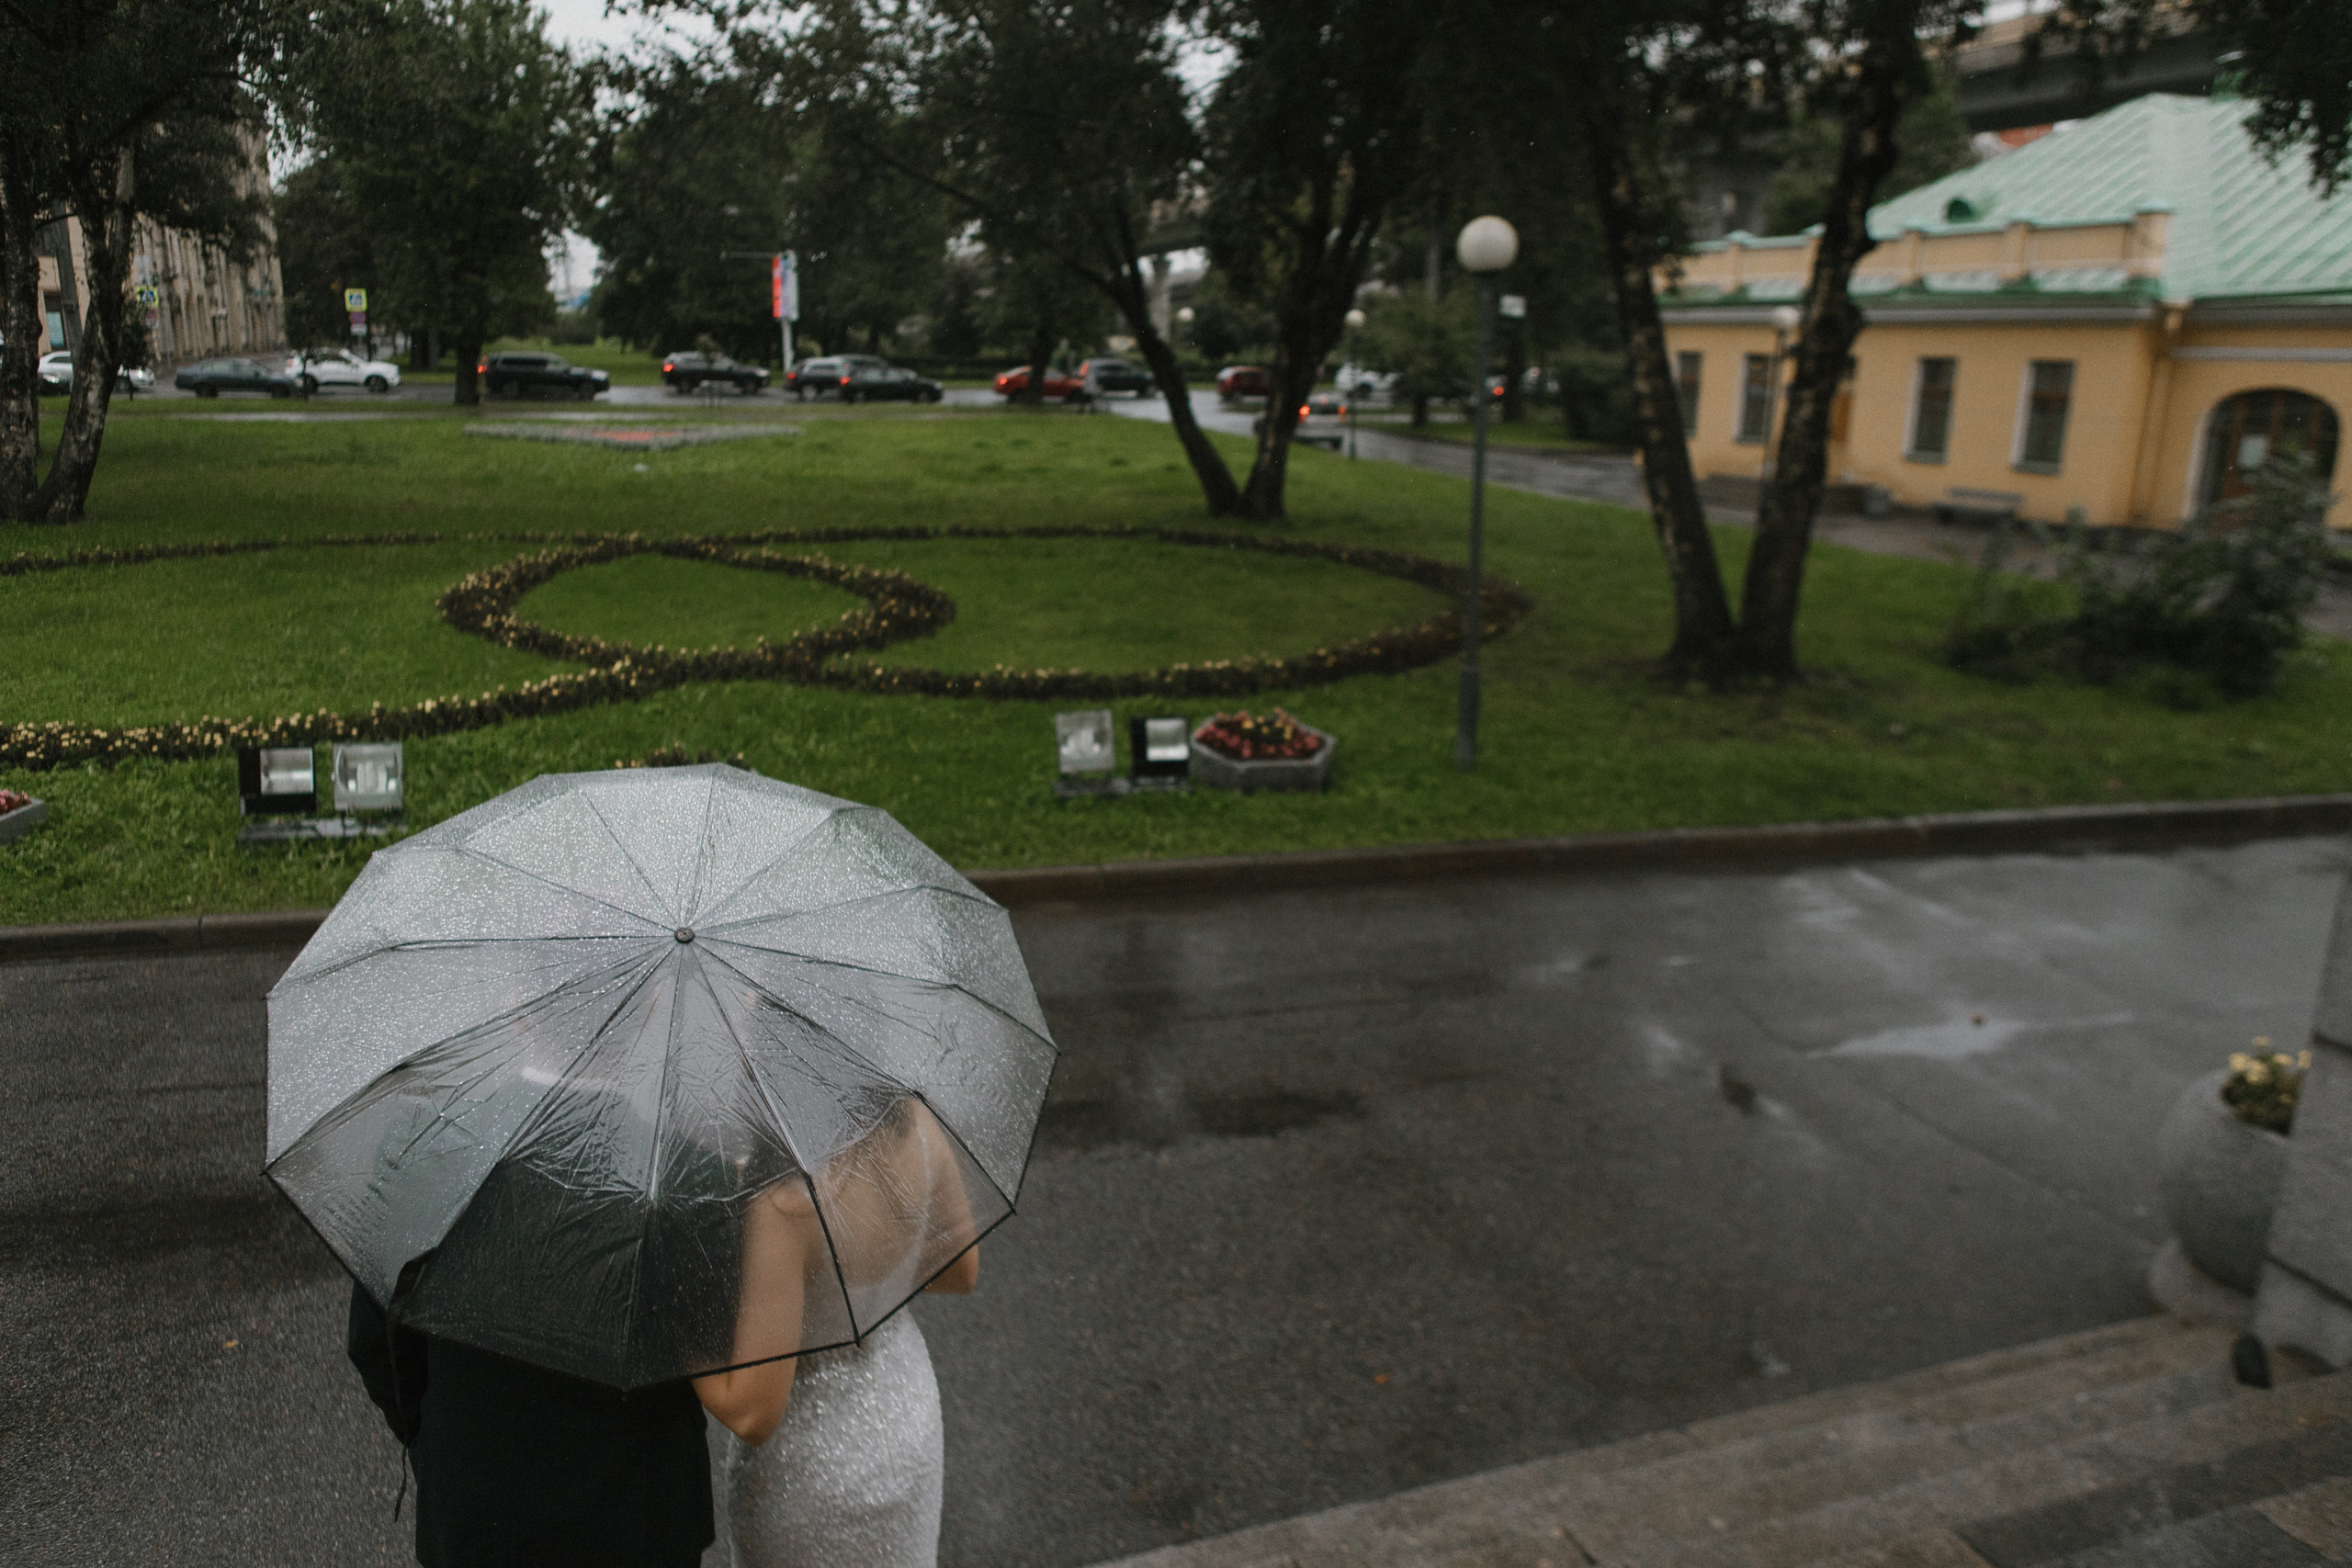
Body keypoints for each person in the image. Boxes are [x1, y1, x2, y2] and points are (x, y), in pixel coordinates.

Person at [695, 1094, 980, 1568]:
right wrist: (867, 1282)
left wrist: (677, 1340)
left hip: (808, 1467)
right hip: (907, 1418)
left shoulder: (787, 1201)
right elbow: (961, 1269)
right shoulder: (915, 1124)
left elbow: (753, 1413)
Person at [347, 1269, 714, 1568]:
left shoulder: (428, 1179)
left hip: (476, 1512)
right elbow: (709, 1320)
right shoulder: (661, 1182)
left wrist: (442, 1445)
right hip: (640, 1512)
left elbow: (376, 1338)